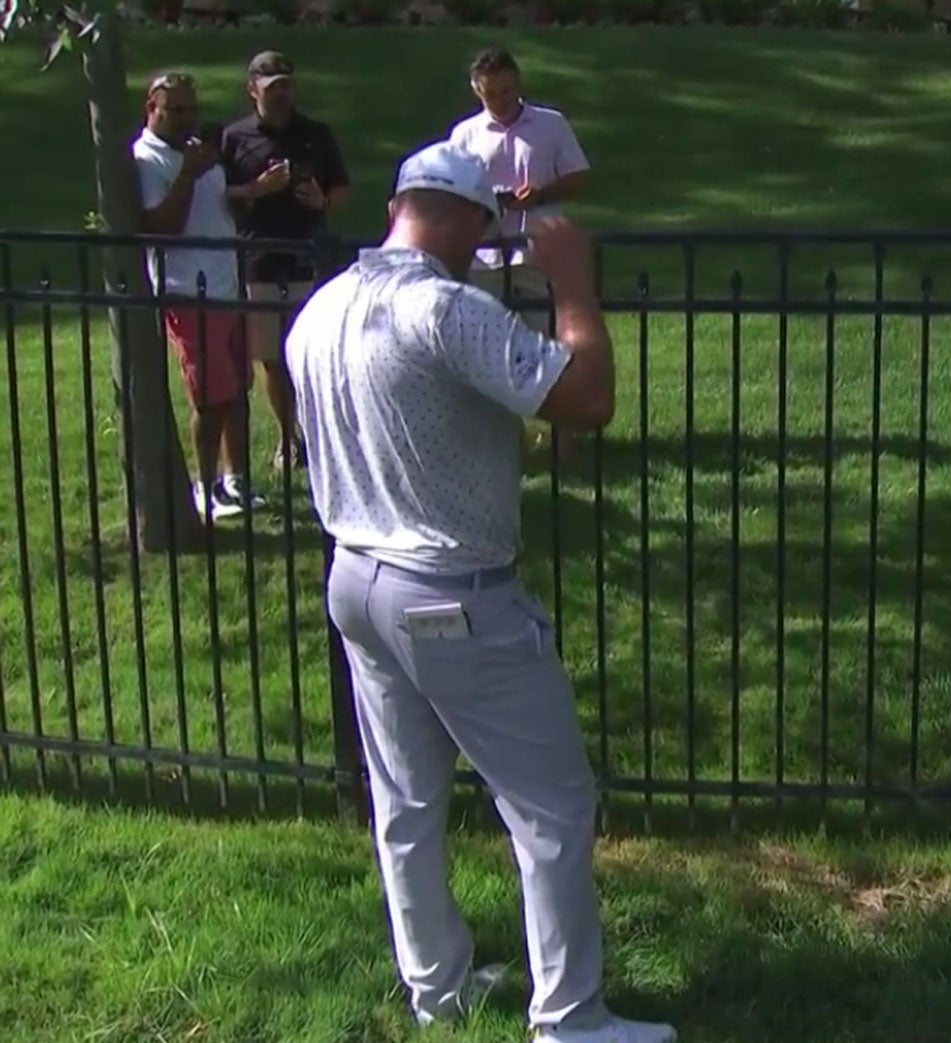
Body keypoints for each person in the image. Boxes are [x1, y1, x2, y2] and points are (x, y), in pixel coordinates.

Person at [287, 140, 674, 1043]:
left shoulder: (321, 310)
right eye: (483, 229)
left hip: (356, 577)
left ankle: (438, 989)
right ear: (456, 217)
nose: (483, 248)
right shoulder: (440, 308)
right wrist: (572, 281)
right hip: (451, 593)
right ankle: (571, 1019)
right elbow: (587, 397)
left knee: (407, 801)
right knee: (551, 804)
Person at [449, 46, 594, 466]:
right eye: (490, 93)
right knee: (488, 349)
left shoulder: (550, 125)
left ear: (519, 84)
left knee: (551, 345)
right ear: (477, 91)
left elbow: (579, 177)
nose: (499, 100)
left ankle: (563, 442)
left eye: (507, 91)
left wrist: (542, 194)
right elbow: (454, 192)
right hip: (485, 255)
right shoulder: (465, 135)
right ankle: (502, 442)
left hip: (537, 250)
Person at [133, 70, 267, 522]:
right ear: (151, 110)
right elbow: (163, 228)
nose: (187, 119)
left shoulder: (195, 154)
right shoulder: (146, 160)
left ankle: (237, 481)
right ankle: (205, 487)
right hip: (188, 291)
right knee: (210, 398)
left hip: (228, 286)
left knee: (237, 390)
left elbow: (215, 207)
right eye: (175, 111)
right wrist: (189, 174)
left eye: (192, 110)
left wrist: (250, 191)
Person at [220, 49, 351, 473]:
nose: (282, 95)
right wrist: (256, 190)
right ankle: (286, 437)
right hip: (258, 254)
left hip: (307, 251)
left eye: (287, 86)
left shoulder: (315, 133)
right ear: (252, 89)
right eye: (272, 87)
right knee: (270, 354)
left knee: (311, 349)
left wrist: (322, 199)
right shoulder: (234, 138)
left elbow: (342, 189)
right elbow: (221, 195)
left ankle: (318, 435)